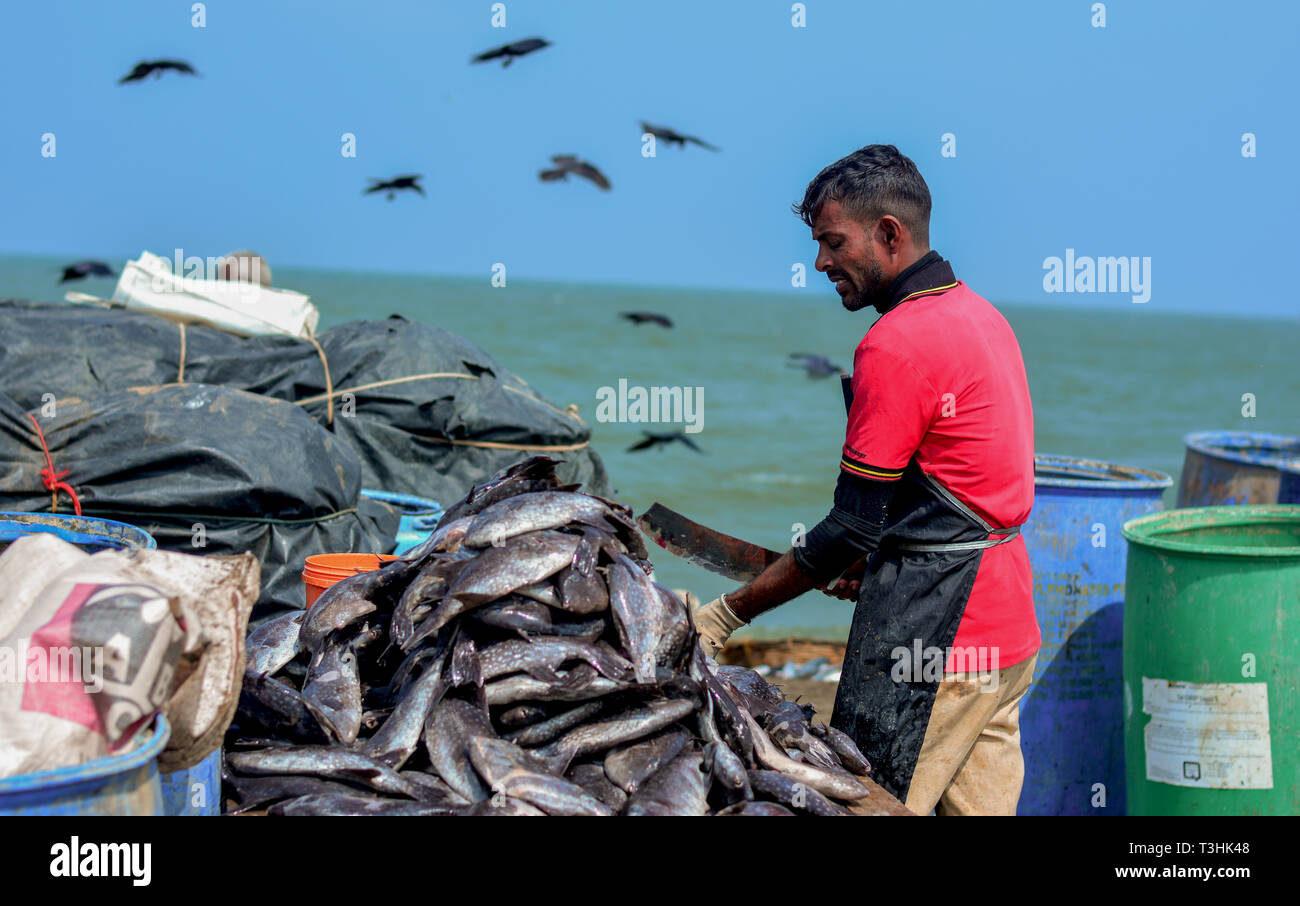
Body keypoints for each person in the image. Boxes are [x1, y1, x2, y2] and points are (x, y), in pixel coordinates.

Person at [692, 144, 1040, 816]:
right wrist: (885, 559)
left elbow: (851, 523)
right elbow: (966, 483)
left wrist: (726, 613)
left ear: (889, 233)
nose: (821, 263)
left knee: (859, 802)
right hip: (1008, 634)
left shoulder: (897, 342)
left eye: (832, 242)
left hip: (934, 647)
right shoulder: (981, 316)